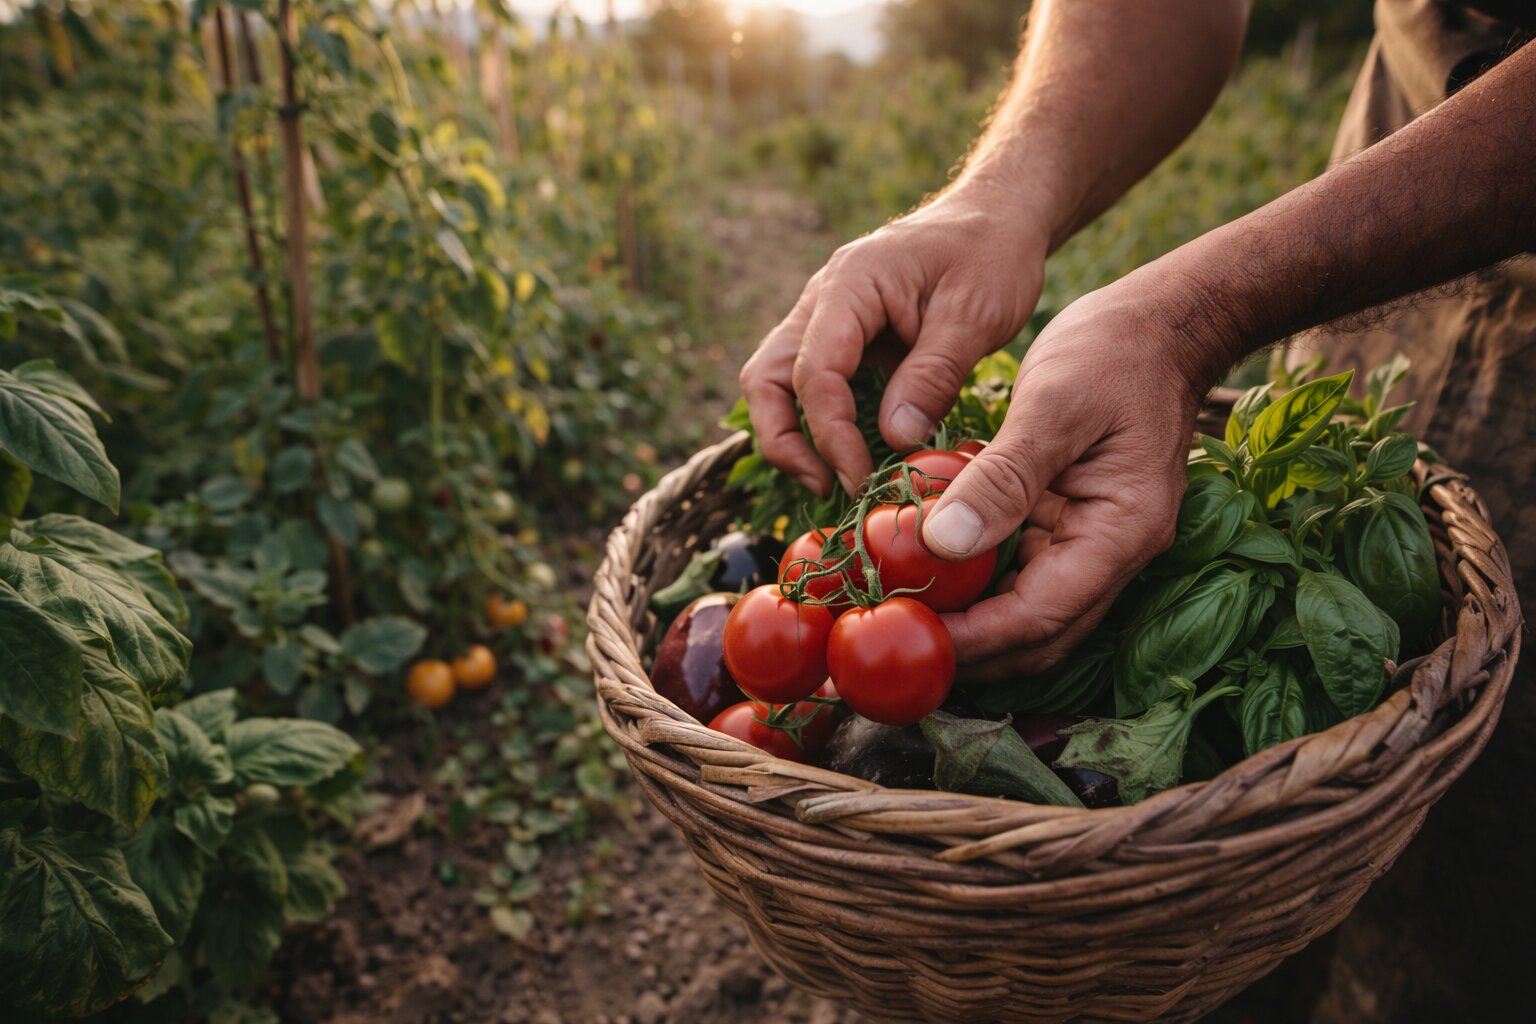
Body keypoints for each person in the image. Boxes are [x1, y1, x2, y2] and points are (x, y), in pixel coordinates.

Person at [737, 1, 1535, 1019]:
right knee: (1230, 911)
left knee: (1480, 905)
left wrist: (1195, 313)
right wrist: (999, 199)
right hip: (1391, 199)